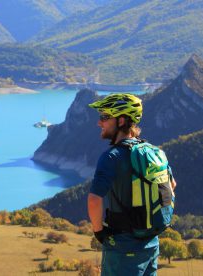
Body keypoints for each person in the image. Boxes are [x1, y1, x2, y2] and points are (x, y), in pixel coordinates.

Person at [87, 93, 177, 276]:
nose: (99, 123)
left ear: (121, 121)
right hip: (151, 244)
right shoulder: (153, 151)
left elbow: (94, 200)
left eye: (104, 117)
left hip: (122, 247)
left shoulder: (111, 157)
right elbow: (172, 185)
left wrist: (99, 232)